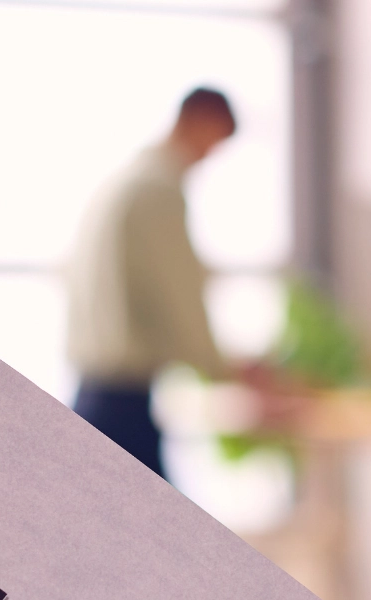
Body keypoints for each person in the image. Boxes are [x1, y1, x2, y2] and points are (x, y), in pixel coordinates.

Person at [64, 88, 241, 481]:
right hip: (121, 402)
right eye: (214, 142)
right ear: (198, 120)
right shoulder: (157, 191)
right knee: (157, 517)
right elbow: (177, 297)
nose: (208, 156)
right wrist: (225, 369)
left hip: (97, 390)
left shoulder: (125, 181)